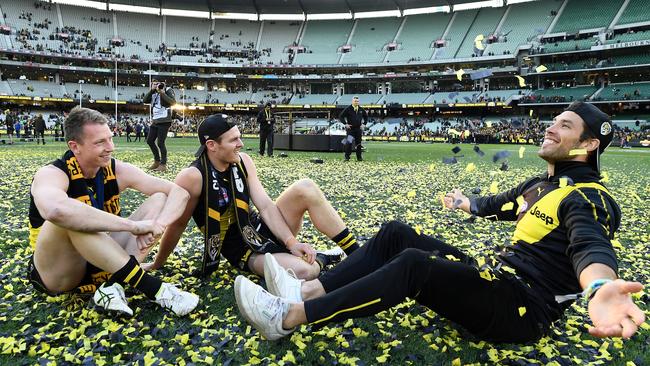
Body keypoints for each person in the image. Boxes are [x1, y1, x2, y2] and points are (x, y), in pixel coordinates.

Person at [234, 102, 646, 342]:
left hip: (522, 309)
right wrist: (465, 202)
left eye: (565, 125)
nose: (551, 128)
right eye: (554, 121)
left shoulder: (591, 198)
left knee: (415, 264)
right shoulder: (545, 183)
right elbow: (500, 205)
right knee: (397, 233)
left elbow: (591, 247)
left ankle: (288, 317)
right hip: (496, 280)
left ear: (589, 144)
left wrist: (599, 286)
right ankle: (305, 288)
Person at [27, 106, 199, 317]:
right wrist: (133, 226)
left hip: (102, 258)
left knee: (160, 199)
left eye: (110, 138)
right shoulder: (51, 173)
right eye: (100, 142)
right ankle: (155, 289)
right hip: (60, 272)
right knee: (71, 215)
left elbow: (179, 193)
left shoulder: (116, 169)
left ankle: (111, 285)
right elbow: (55, 210)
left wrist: (158, 225)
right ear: (75, 146)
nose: (111, 147)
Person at [145, 114, 359, 281]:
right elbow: (178, 224)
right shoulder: (192, 176)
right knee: (306, 271)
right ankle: (323, 257)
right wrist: (158, 263)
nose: (241, 144)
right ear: (212, 145)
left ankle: (358, 255)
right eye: (234, 140)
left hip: (260, 228)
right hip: (241, 249)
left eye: (240, 137)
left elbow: (265, 206)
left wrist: (291, 242)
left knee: (306, 187)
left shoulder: (243, 160)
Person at [144, 81, 176, 172]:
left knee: (160, 143)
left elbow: (172, 102)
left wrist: (162, 92)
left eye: (158, 83)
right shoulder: (153, 92)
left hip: (165, 119)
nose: (157, 85)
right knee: (150, 140)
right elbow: (145, 100)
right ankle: (157, 161)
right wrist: (152, 90)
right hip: (155, 120)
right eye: (154, 83)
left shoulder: (168, 90)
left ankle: (163, 164)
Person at [339, 96, 368, 161]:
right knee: (349, 143)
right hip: (351, 130)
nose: (356, 102)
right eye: (355, 101)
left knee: (358, 144)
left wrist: (364, 124)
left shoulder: (361, 109)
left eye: (357, 101)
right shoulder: (348, 109)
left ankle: (359, 157)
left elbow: (366, 117)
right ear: (352, 101)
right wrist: (345, 124)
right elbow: (341, 116)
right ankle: (347, 157)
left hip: (358, 130)